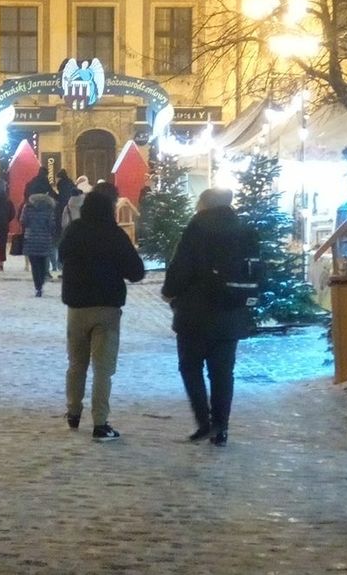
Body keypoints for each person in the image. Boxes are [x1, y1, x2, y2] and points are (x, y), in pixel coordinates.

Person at [161, 188, 258, 447]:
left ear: (204, 204)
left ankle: (204, 421)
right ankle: (221, 428)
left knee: (191, 367)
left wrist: (169, 292)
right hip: (231, 313)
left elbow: (181, 265)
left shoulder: (197, 228)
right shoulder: (244, 230)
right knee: (223, 372)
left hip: (196, 313)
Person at [59, 192, 146, 439]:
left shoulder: (75, 230)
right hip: (107, 308)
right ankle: (100, 423)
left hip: (77, 307)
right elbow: (136, 272)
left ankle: (73, 413)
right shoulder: (115, 234)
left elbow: (61, 254)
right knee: (103, 369)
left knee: (76, 364)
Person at [19, 190, 56, 296]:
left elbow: (23, 221)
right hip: (45, 240)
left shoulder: (27, 208)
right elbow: (52, 225)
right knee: (43, 262)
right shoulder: (49, 209)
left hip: (31, 239)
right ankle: (41, 280)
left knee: (34, 265)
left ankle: (38, 286)